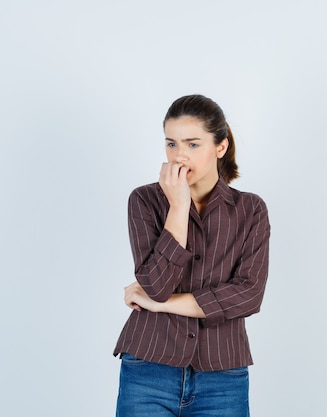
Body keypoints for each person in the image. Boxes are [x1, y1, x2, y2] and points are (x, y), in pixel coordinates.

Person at [114, 94, 271, 417]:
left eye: (193, 144)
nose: (179, 157)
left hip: (222, 375)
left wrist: (161, 305)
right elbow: (156, 285)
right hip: (148, 368)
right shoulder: (144, 201)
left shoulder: (251, 210)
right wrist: (179, 205)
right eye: (171, 144)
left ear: (221, 147)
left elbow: (248, 296)